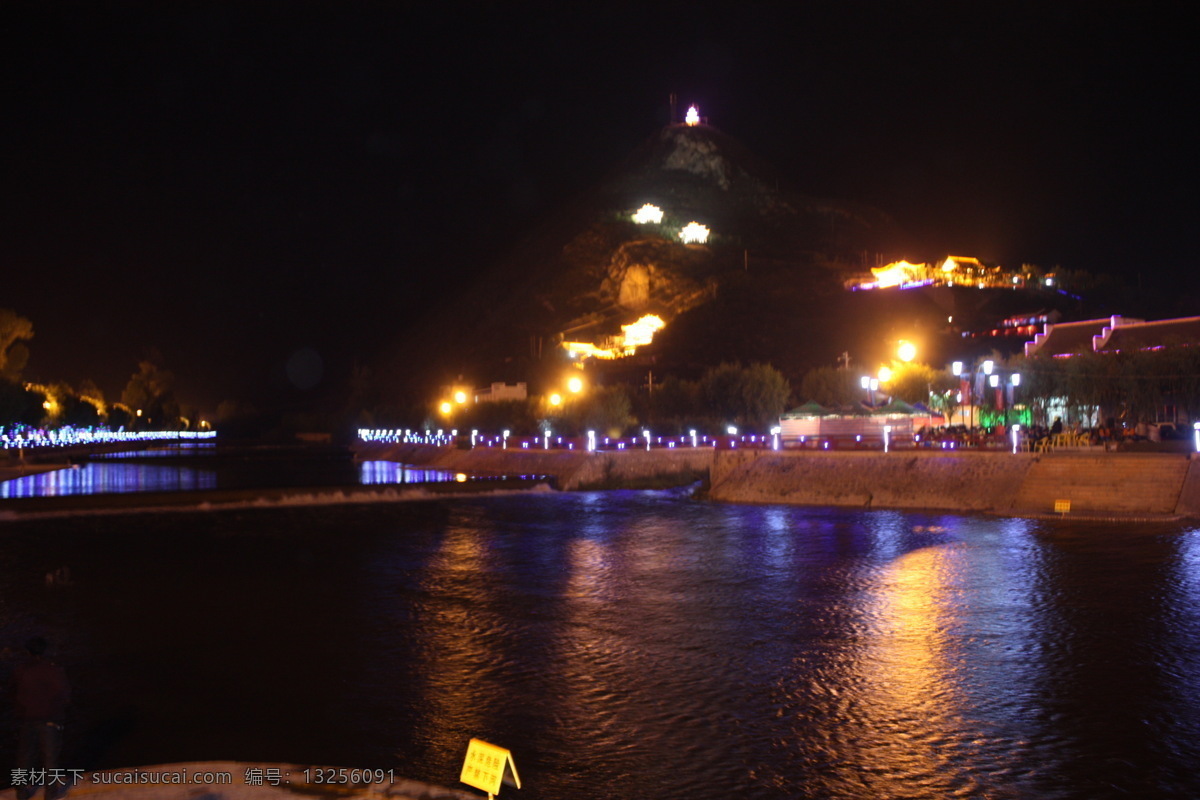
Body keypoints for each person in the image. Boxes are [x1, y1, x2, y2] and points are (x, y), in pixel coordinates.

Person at [12, 637, 71, 800]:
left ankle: (21, 792)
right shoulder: (53, 669)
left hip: (28, 718)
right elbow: (64, 693)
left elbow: (18, 694)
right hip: (50, 719)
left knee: (24, 758)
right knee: (50, 760)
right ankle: (50, 794)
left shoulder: (21, 670)